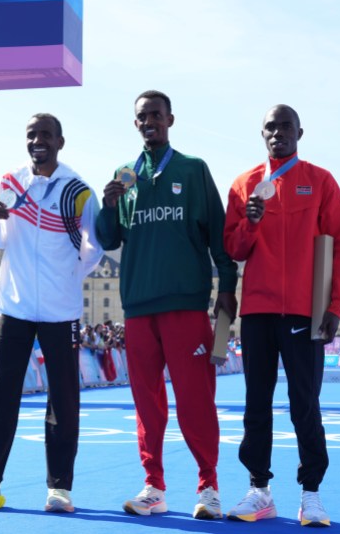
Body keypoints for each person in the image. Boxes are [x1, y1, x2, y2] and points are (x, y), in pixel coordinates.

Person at [0, 113, 103, 513]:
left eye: (45, 135)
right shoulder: (11, 181)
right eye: (31, 135)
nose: (38, 141)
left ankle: (59, 488)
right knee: (1, 397)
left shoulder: (79, 190)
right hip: (13, 306)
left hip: (59, 310)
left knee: (63, 400)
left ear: (60, 141)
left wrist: (67, 277)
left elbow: (94, 248)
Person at [96, 90, 238, 520]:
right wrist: (108, 205)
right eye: (142, 117)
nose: (149, 122)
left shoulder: (192, 170)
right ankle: (153, 486)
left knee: (196, 401)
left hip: (185, 306)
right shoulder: (126, 177)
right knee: (147, 404)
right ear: (135, 123)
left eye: (156, 115)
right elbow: (108, 239)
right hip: (138, 307)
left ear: (170, 119)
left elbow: (220, 236)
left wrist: (227, 291)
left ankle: (209, 487)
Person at [223, 104, 340, 527]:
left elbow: (339, 247)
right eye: (270, 127)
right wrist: (252, 225)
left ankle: (311, 495)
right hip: (258, 309)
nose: (277, 133)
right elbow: (234, 249)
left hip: (304, 310)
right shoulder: (245, 185)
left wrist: (336, 305)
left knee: (305, 404)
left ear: (300, 132)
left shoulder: (320, 182)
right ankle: (259, 489)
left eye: (285, 126)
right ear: (262, 134)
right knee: (255, 404)